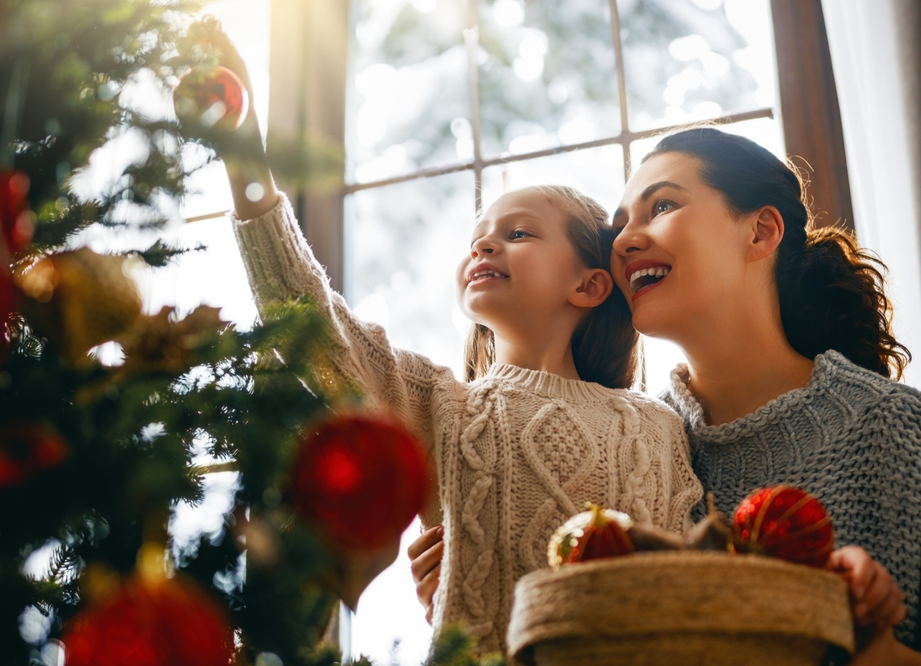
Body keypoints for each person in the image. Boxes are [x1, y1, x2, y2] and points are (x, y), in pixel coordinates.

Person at [212, 29, 703, 652]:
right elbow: (311, 316)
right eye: (479, 236)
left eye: (519, 233)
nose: (485, 244)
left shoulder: (656, 426)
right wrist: (241, 156)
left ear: (589, 284)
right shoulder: (443, 406)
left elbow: (691, 580)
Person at [411, 126, 920, 663]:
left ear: (760, 232)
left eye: (662, 206)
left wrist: (880, 651)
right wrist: (476, 591)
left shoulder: (894, 430)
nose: (624, 241)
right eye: (619, 227)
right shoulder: (638, 449)